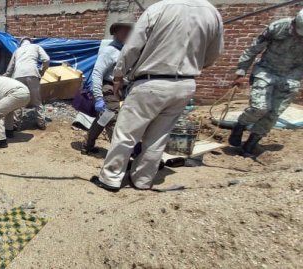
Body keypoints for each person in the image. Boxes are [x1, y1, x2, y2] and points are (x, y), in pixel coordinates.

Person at [93, 0, 224, 192]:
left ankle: (110, 179)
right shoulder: (212, 13)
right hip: (185, 84)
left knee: (126, 134)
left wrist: (119, 76)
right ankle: (142, 180)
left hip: (151, 81)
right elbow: (214, 54)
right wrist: (189, 66)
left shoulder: (160, 8)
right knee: (158, 136)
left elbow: (132, 47)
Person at [229, 9, 303, 157]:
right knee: (260, 107)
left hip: (291, 76)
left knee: (274, 113)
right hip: (267, 71)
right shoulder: (278, 27)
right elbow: (253, 49)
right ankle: (240, 125)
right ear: (294, 23)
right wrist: (241, 72)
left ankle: (251, 143)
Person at [81, 14, 135, 155]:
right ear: (116, 32)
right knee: (113, 119)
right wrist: (98, 97)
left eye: (130, 30)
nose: (128, 33)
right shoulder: (110, 51)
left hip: (121, 89)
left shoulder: (127, 51)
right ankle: (118, 155)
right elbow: (97, 73)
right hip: (108, 87)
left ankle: (87, 145)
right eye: (124, 30)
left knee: (104, 117)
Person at [4, 37, 50, 130]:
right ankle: (41, 123)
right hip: (32, 74)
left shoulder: (17, 51)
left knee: (18, 100)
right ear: (30, 41)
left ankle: (16, 124)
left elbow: (10, 69)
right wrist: (41, 71)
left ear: (21, 43)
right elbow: (46, 59)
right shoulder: (36, 47)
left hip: (17, 76)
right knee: (37, 100)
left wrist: (3, 78)